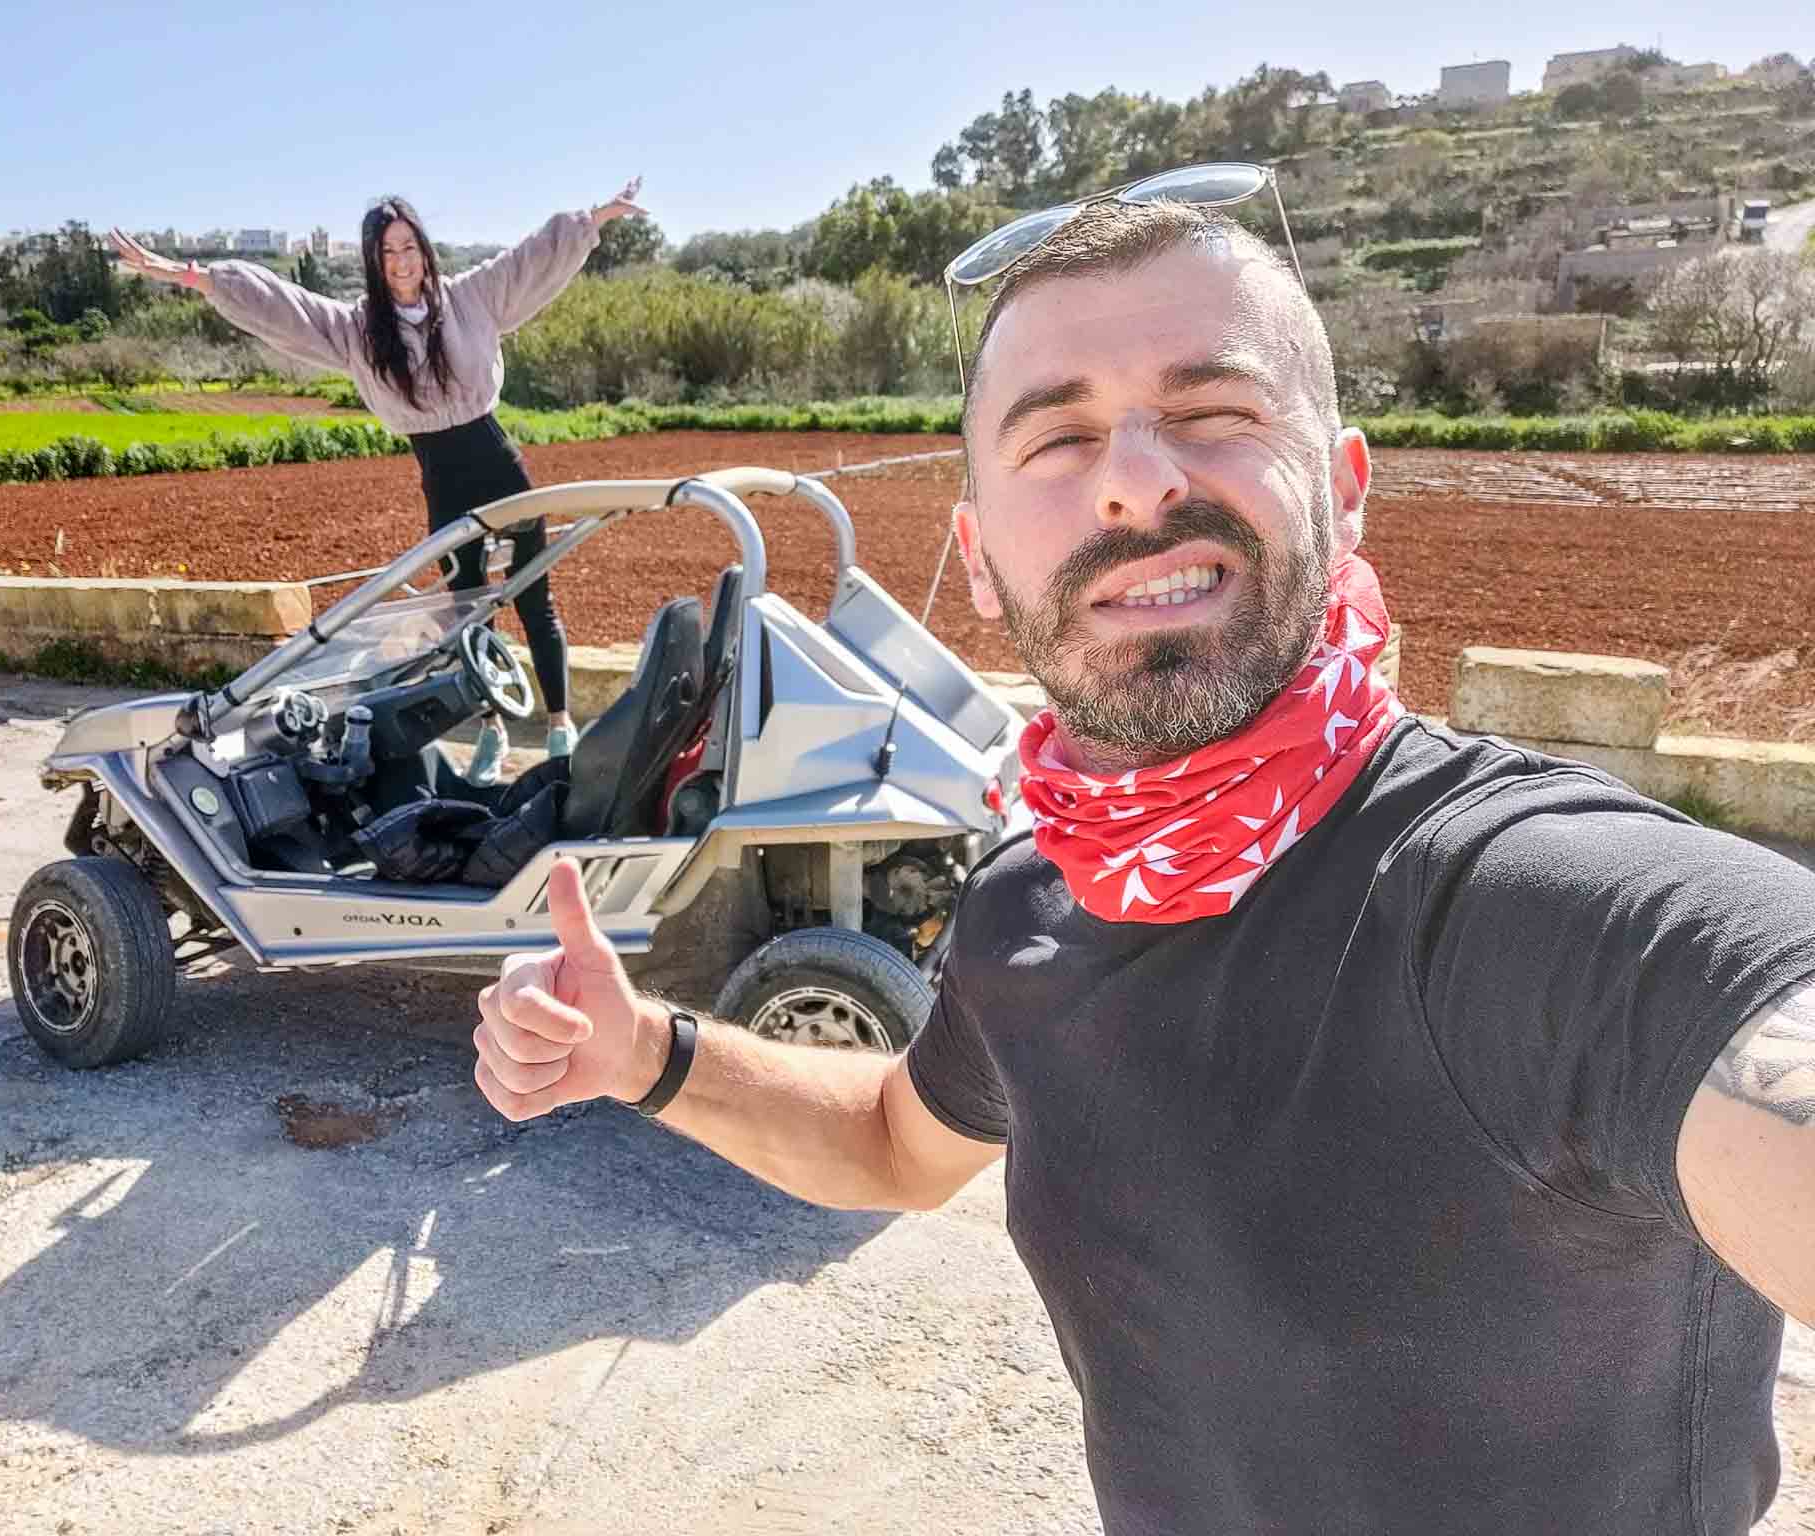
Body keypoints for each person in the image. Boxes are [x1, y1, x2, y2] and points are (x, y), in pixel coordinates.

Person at [471, 195, 1815, 1534]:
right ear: (980, 562)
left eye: (1214, 412)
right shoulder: (1027, 911)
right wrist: (643, 1053)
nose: (1137, 479)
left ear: (1343, 493)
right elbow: (891, 1138)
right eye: (1056, 435)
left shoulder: (1536, 908)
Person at [110, 180, 649, 783]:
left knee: (534, 599)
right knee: (465, 610)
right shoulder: (360, 331)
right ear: (374, 262)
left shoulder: (471, 299)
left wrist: (595, 216)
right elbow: (284, 306)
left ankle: (559, 728)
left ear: (424, 248)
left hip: (499, 464)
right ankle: (492, 732)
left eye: (408, 247)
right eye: (387, 253)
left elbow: (531, 257)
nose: (401, 263)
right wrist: (192, 275)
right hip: (441, 480)